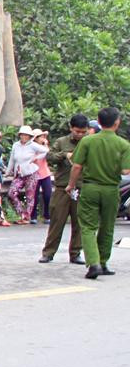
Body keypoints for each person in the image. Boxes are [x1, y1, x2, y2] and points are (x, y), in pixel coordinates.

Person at [65, 106, 130, 280]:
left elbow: (77, 166)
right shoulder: (123, 144)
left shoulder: (87, 141)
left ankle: (93, 263)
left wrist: (70, 185)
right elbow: (125, 171)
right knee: (107, 227)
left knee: (87, 227)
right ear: (117, 123)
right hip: (111, 189)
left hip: (90, 187)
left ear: (99, 122)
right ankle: (103, 262)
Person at [39, 114, 88, 264]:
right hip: (62, 188)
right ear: (71, 128)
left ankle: (75, 253)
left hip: (81, 187)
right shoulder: (61, 142)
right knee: (56, 221)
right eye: (77, 131)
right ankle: (48, 252)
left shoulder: (88, 143)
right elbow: (49, 157)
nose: (79, 134)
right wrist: (65, 155)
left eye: (83, 132)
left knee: (79, 223)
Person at [7, 126, 47, 224]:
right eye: (22, 135)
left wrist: (36, 158)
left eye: (26, 135)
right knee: (11, 193)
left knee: (30, 196)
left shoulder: (33, 145)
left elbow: (45, 151)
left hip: (31, 173)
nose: (24, 137)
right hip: (19, 173)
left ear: (29, 136)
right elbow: (12, 159)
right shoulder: (16, 145)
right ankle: (21, 213)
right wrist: (8, 171)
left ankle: (26, 217)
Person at [30, 131, 52, 224]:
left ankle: (47, 215)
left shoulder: (45, 148)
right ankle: (33, 216)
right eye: (40, 137)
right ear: (35, 138)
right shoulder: (31, 147)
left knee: (47, 195)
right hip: (34, 174)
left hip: (45, 174)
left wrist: (46, 145)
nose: (42, 138)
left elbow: (49, 155)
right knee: (34, 196)